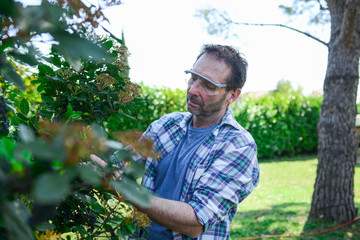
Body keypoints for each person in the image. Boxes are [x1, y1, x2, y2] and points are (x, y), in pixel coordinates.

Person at [91, 44, 259, 240]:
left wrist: (124, 189)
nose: (193, 89)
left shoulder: (239, 145)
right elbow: (119, 164)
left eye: (208, 85)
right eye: (193, 78)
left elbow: (196, 221)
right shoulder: (166, 126)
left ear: (232, 95)